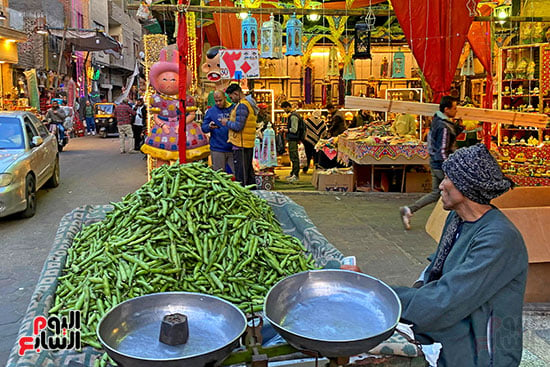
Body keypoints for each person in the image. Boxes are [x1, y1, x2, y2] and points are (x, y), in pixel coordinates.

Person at [392, 144, 527, 366]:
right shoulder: (457, 219)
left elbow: (446, 300)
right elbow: (436, 266)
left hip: (481, 351)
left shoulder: (499, 239)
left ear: (466, 187)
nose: (442, 185)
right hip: (452, 333)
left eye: (448, 178)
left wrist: (382, 296)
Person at [400, 96, 463, 229]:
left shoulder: (438, 121)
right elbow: (442, 149)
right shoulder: (443, 126)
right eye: (454, 108)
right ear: (447, 109)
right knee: (456, 191)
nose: (457, 111)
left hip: (435, 162)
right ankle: (457, 222)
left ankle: (409, 210)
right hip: (441, 164)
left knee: (436, 193)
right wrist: (447, 167)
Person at [220, 83, 258, 187]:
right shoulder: (248, 104)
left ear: (236, 93)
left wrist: (226, 122)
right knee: (248, 172)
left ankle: (244, 195)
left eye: (231, 97)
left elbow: (238, 126)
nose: (231, 100)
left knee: (242, 174)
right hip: (246, 142)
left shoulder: (242, 105)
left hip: (241, 143)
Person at [202, 90, 235, 173]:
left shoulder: (234, 108)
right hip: (217, 148)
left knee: (237, 175)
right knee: (219, 176)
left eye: (220, 100)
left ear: (225, 98)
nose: (218, 103)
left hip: (233, 148)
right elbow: (204, 128)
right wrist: (209, 126)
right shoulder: (210, 112)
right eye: (216, 101)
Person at [281, 101, 304, 182]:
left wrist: (285, 130)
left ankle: (295, 174)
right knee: (293, 156)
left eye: (284, 109)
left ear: (287, 107)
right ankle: (293, 173)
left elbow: (294, 129)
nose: (284, 111)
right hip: (294, 138)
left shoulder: (293, 116)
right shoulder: (294, 115)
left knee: (294, 157)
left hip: (293, 139)